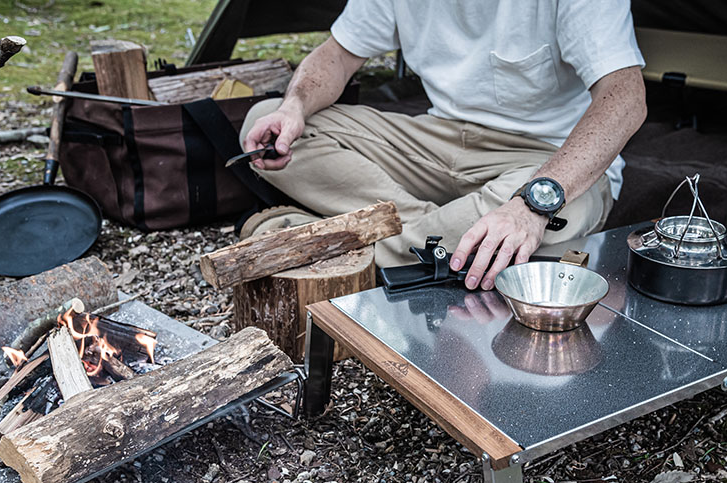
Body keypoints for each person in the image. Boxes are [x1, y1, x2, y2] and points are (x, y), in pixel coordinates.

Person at [240, 0, 646, 290]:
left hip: (544, 160)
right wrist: (294, 106)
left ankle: (325, 243)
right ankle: (445, 234)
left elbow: (626, 99)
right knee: (269, 125)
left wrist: (531, 206)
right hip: (437, 141)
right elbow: (338, 56)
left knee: (561, 212)